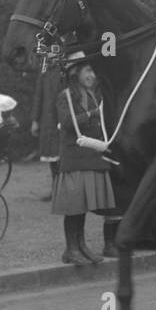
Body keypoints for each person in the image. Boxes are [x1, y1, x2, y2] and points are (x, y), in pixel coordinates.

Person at [52, 56, 116, 265]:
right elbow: (67, 122)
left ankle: (80, 246)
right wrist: (92, 114)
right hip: (74, 160)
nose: (92, 76)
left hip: (89, 159)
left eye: (93, 71)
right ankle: (71, 248)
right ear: (75, 73)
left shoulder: (92, 95)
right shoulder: (66, 96)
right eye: (88, 71)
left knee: (82, 207)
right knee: (74, 207)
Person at [28, 63, 62, 202]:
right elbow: (38, 94)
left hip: (62, 117)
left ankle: (65, 191)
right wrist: (35, 120)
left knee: (63, 155)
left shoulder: (64, 68)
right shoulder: (44, 68)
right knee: (51, 155)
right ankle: (55, 190)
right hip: (47, 119)